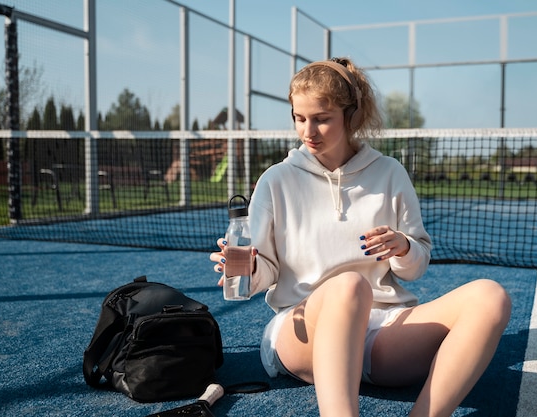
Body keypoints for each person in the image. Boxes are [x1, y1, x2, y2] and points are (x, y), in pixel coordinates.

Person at [210, 57, 512, 417]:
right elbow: (266, 271)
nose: (308, 131)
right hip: (301, 328)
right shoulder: (277, 180)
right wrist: (244, 268)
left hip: (382, 330)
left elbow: (414, 268)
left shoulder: (390, 173)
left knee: (490, 297)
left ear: (350, 116)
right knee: (349, 285)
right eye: (299, 118)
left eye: (322, 119)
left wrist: (404, 247)